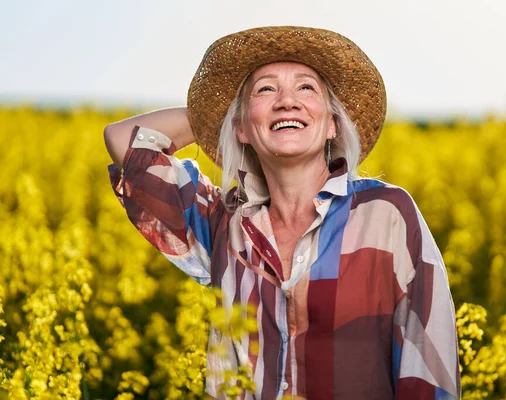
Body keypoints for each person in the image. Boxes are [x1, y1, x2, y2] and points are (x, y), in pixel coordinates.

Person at [104, 26, 460, 400]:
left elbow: (428, 371)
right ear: (240, 128)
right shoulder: (223, 223)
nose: (287, 101)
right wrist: (221, 117)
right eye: (266, 90)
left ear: (333, 124)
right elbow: (123, 140)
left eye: (306, 88)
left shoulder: (387, 213)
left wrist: (255, 113)